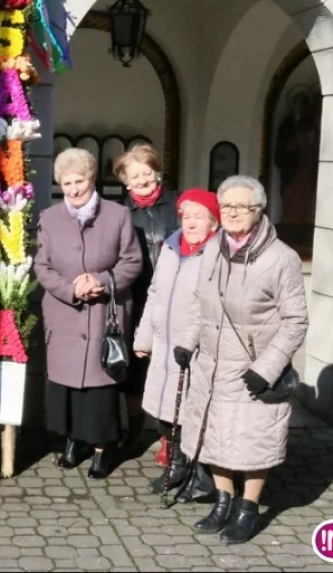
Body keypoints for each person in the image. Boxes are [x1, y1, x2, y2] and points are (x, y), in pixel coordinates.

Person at [174, 175, 309, 544]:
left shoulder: (282, 259)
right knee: (213, 434)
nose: (233, 213)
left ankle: (248, 509)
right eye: (227, 206)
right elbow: (198, 303)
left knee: (253, 442)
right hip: (211, 364)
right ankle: (223, 501)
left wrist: (266, 369)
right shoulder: (214, 247)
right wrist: (187, 342)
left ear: (259, 211)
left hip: (252, 368)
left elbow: (296, 321)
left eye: (242, 206)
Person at [33, 148, 142, 480]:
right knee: (66, 385)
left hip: (103, 314)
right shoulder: (49, 218)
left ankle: (101, 447)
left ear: (92, 178)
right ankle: (72, 441)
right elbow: (42, 265)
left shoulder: (118, 215)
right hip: (65, 313)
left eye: (79, 181)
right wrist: (71, 289)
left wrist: (102, 281)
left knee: (98, 385)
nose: (73, 189)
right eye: (66, 183)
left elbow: (132, 261)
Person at [132, 188, 220, 494]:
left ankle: (199, 473)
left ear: (214, 223)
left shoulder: (217, 254)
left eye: (200, 216)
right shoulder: (170, 248)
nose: (192, 222)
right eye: (187, 216)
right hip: (164, 342)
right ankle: (177, 466)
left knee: (194, 412)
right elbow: (154, 294)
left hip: (195, 347)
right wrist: (144, 338)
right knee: (164, 410)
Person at [113, 144, 180, 461]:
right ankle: (135, 430)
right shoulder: (118, 213)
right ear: (125, 181)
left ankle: (170, 437)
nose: (142, 179)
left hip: (173, 299)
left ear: (157, 173)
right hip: (134, 299)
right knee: (134, 372)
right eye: (134, 175)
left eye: (146, 172)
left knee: (170, 368)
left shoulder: (179, 206)